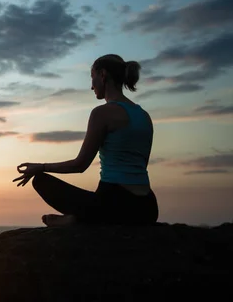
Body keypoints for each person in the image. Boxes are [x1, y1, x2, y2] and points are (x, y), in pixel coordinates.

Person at [13, 54, 159, 227]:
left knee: (40, 180)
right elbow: (141, 165)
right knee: (100, 203)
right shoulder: (144, 116)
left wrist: (41, 167)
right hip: (148, 208)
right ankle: (83, 218)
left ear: (103, 75)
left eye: (92, 77)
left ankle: (80, 219)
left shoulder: (102, 113)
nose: (91, 86)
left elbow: (79, 165)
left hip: (114, 204)